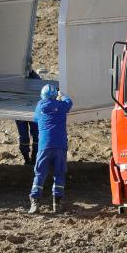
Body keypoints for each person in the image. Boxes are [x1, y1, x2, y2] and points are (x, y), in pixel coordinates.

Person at [28, 83, 73, 214]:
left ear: (42, 96)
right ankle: (56, 204)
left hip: (44, 146)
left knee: (40, 173)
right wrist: (62, 96)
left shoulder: (39, 107)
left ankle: (35, 202)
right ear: (55, 95)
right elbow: (69, 103)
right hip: (60, 145)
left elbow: (36, 119)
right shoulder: (62, 106)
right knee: (59, 174)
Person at [16, 68, 40, 165]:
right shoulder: (34, 78)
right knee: (34, 135)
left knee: (30, 135)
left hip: (26, 110)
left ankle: (31, 158)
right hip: (28, 110)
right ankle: (30, 158)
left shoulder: (17, 77)